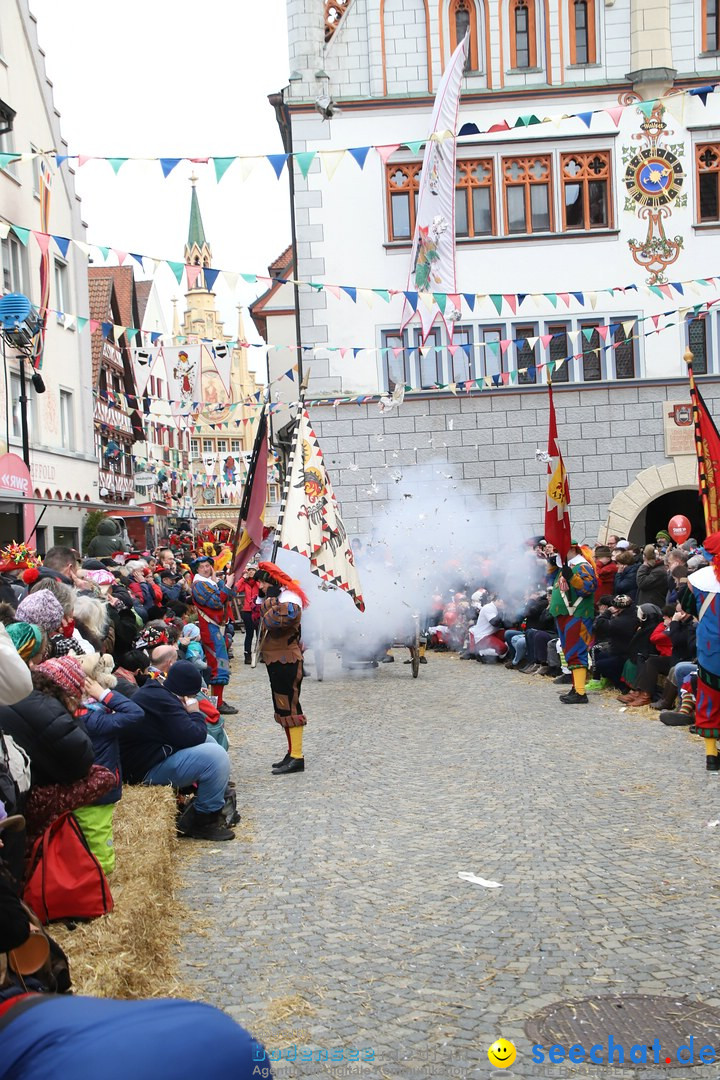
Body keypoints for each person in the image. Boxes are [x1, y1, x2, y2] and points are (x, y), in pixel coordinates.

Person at [120, 660, 234, 841]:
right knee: (216, 758)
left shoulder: (158, 692)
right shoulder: (163, 701)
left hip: (149, 757)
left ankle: (213, 797)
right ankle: (204, 820)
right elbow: (193, 735)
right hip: (143, 770)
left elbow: (190, 735)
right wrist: (195, 712)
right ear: (187, 693)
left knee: (210, 740)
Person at [256, 562, 309, 776]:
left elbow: (275, 621)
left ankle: (297, 757)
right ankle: (291, 752)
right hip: (277, 660)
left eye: (262, 581)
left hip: (287, 660)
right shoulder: (279, 600)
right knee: (282, 707)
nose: (259, 586)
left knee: (291, 708)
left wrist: (270, 600)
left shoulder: (290, 601)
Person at [548, 543, 598, 705]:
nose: (558, 553)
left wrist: (571, 577)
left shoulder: (582, 566)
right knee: (569, 651)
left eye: (560, 549)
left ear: (573, 550)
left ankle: (581, 693)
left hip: (578, 615)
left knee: (577, 651)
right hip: (566, 616)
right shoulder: (566, 567)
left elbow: (588, 588)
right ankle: (576, 687)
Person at [191, 556, 237, 714]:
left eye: (208, 565)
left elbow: (232, 595)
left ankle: (217, 701)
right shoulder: (199, 585)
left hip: (217, 628)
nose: (206, 568)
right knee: (218, 665)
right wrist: (227, 585)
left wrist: (221, 582)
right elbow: (216, 602)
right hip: (210, 629)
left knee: (221, 664)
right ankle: (217, 704)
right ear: (197, 570)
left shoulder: (210, 583)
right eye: (202, 566)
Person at [237, 568, 261, 665]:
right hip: (247, 611)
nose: (251, 572)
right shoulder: (245, 583)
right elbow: (237, 588)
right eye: (249, 571)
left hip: (258, 611)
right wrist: (243, 578)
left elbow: (261, 589)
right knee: (249, 634)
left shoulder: (258, 583)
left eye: (253, 571)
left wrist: (257, 579)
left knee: (259, 634)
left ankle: (262, 654)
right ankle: (247, 656)